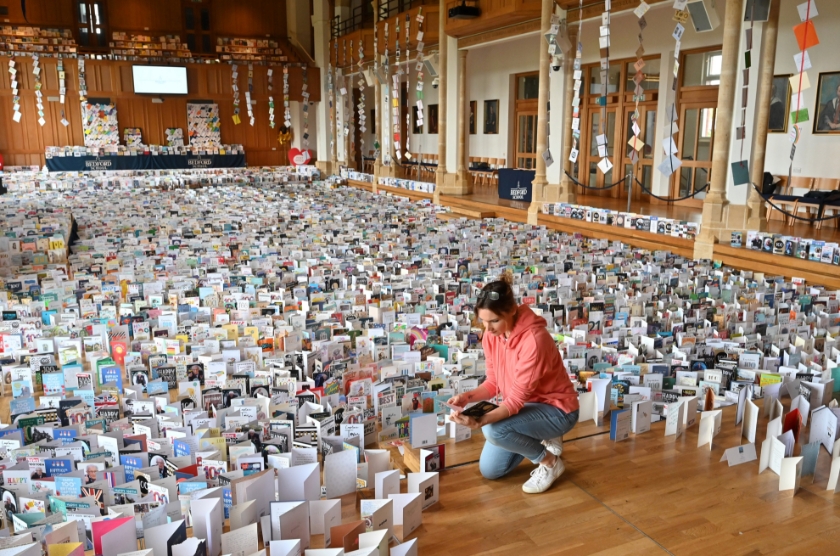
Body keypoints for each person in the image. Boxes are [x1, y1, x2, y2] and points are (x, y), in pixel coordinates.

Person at [449, 273, 579, 494]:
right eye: (483, 321)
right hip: (527, 407)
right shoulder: (491, 336)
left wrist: (480, 421)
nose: (487, 329)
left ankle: (550, 463)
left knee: (493, 430)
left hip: (557, 409)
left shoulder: (534, 340)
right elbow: (493, 383)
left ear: (512, 311)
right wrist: (467, 397)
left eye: (494, 321)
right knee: (490, 470)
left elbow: (516, 400)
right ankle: (540, 434)